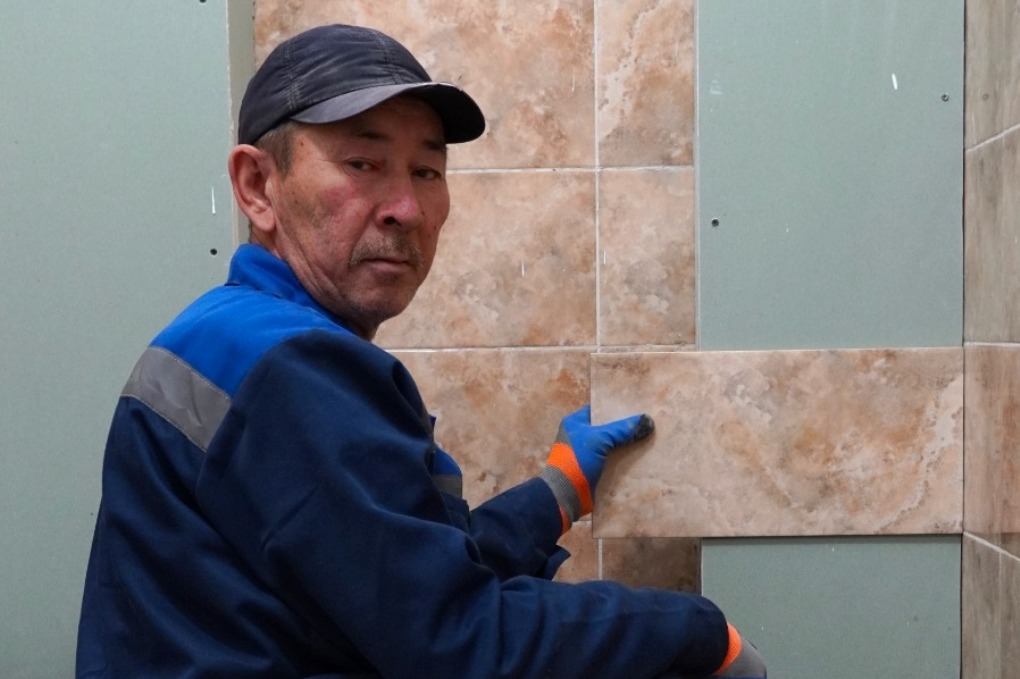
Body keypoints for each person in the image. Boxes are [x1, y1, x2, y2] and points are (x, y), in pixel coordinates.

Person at [76, 23, 766, 679]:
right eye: (362, 163)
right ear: (259, 187)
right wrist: (701, 630)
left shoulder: (231, 337)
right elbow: (461, 643)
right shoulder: (293, 368)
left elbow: (391, 580)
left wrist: (557, 493)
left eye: (427, 171)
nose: (405, 208)